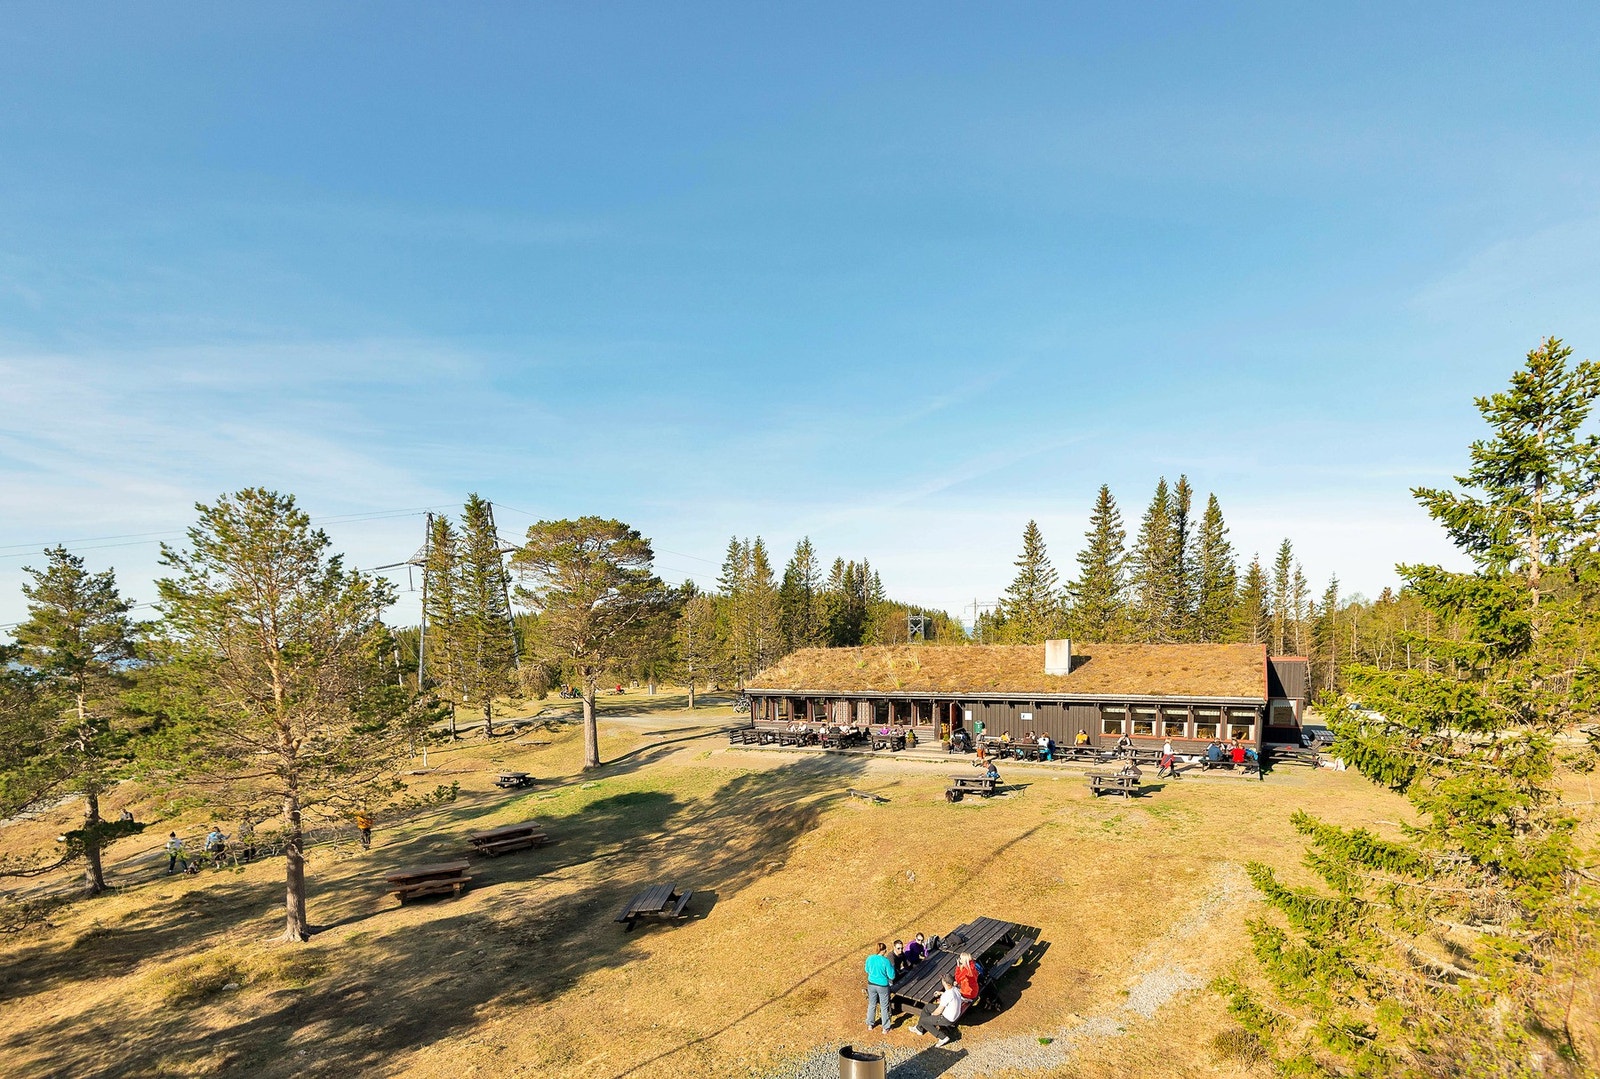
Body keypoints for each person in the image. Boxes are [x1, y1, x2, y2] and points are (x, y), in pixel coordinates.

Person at [909, 975, 965, 1047]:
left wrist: (932, 1015)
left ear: (946, 983)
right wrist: (941, 993)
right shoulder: (955, 989)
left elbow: (938, 1011)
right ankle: (919, 1029)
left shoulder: (947, 995)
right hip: (953, 1013)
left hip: (947, 1018)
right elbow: (949, 998)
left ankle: (942, 1037)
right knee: (927, 1007)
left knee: (923, 1021)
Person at [864, 942, 896, 1034]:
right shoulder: (886, 961)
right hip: (883, 986)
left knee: (872, 1004)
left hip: (871, 984)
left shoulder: (870, 958)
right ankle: (885, 1027)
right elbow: (892, 976)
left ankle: (870, 1024)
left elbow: (866, 970)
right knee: (884, 1006)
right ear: (884, 950)